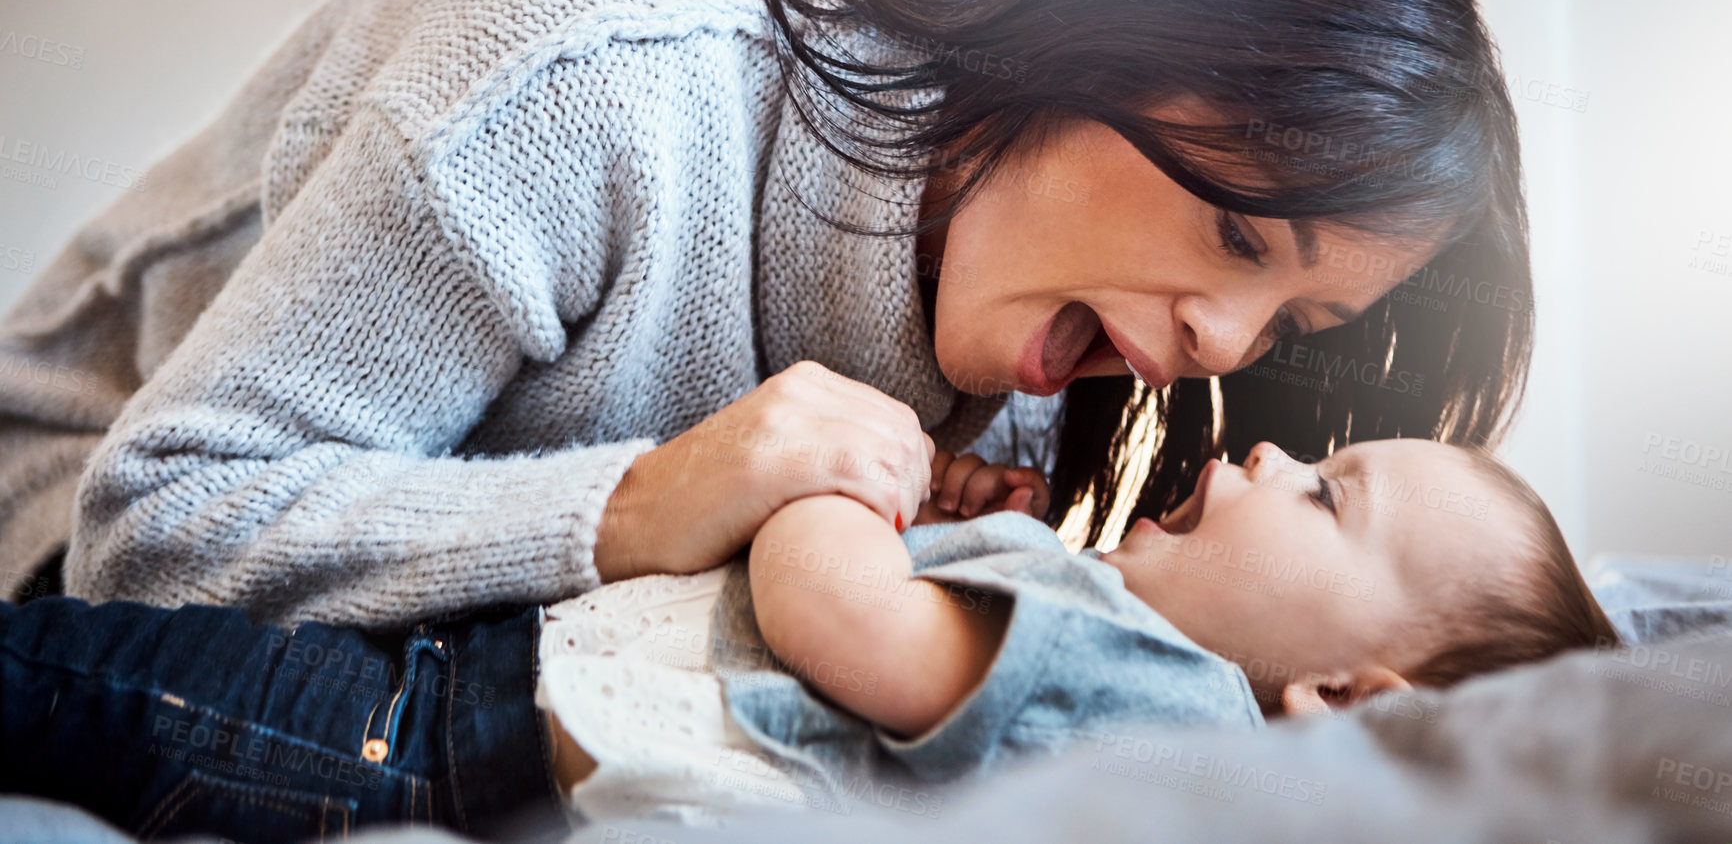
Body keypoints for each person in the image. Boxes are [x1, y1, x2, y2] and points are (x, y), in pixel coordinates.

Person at [0, 0, 1534, 628]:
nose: (1221, 344)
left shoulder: (1050, 370)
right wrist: (654, 502)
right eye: (1241, 232)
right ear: (1110, 37)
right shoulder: (595, 72)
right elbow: (156, 532)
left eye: (1292, 329)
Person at [0, 439, 1616, 840]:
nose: (1267, 455)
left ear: (1343, 697)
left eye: (1329, 496)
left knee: (76, 676)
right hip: (461, 694)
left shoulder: (1159, 685)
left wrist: (843, 485)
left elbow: (836, 613)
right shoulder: (1107, 650)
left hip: (424, 730)